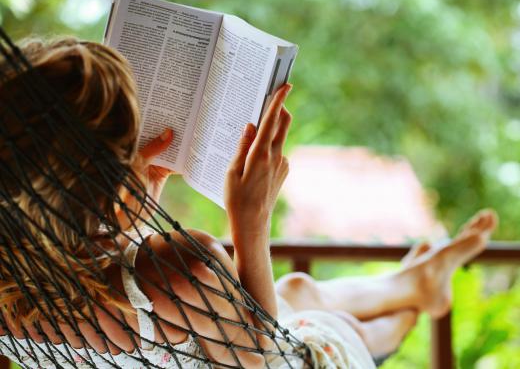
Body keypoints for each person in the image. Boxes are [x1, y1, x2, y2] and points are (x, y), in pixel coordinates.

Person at [0, 38, 497, 368]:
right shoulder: (181, 268)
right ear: (113, 184)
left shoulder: (17, 283)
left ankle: (419, 282)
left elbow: (105, 299)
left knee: (301, 288)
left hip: (213, 333)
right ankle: (417, 300)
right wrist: (250, 220)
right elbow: (272, 358)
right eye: (131, 148)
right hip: (291, 359)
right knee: (335, 321)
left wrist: (137, 200)